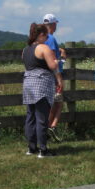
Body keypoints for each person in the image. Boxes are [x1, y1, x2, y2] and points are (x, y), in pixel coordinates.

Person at [22, 23, 63, 158]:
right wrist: (59, 60)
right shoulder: (44, 48)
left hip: (28, 83)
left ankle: (31, 147)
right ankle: (43, 150)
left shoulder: (26, 50)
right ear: (41, 35)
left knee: (30, 116)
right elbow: (52, 65)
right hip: (41, 84)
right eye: (46, 35)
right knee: (42, 118)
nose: (47, 37)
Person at [42, 13, 66, 143]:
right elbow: (52, 60)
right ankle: (51, 127)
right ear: (52, 24)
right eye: (55, 23)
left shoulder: (42, 38)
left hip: (45, 76)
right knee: (57, 103)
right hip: (54, 76)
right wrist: (62, 57)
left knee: (52, 103)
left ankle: (47, 129)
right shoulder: (50, 38)